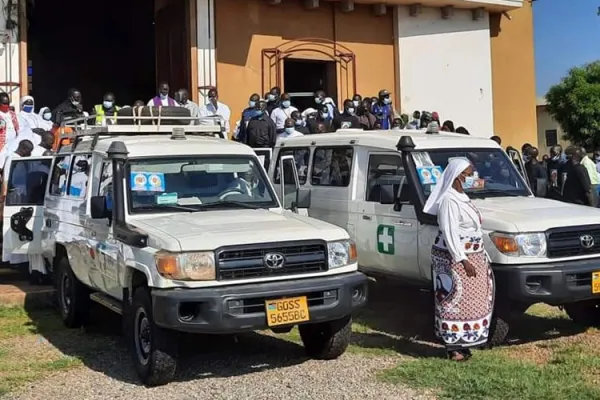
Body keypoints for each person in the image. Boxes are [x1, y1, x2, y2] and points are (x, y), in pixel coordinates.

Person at [423, 158, 495, 361]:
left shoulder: (463, 197)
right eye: (469, 173)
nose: (473, 177)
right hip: (454, 257)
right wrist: (462, 259)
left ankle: (466, 341)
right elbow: (449, 230)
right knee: (452, 298)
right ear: (458, 175)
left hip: (473, 254)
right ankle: (453, 345)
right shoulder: (448, 200)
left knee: (472, 300)